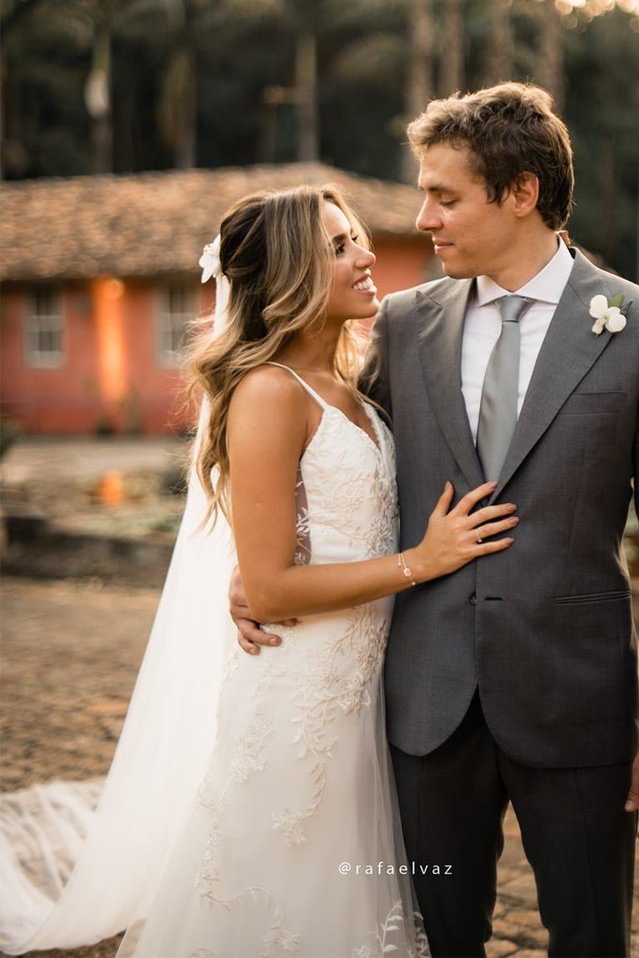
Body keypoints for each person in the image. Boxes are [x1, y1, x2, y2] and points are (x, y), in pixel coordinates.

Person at [234, 82, 639, 957]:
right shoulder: (405, 326)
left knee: (591, 934)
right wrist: (258, 566)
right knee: (435, 936)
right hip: (422, 706)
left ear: (521, 193)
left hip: (576, 708)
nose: (423, 219)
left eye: (445, 196)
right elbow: (341, 461)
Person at [0, 185, 515, 955]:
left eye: (356, 239)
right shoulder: (270, 393)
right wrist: (422, 561)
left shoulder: (356, 391)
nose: (367, 255)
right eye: (340, 246)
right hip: (297, 690)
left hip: (362, 691)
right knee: (278, 894)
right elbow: (270, 586)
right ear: (290, 273)